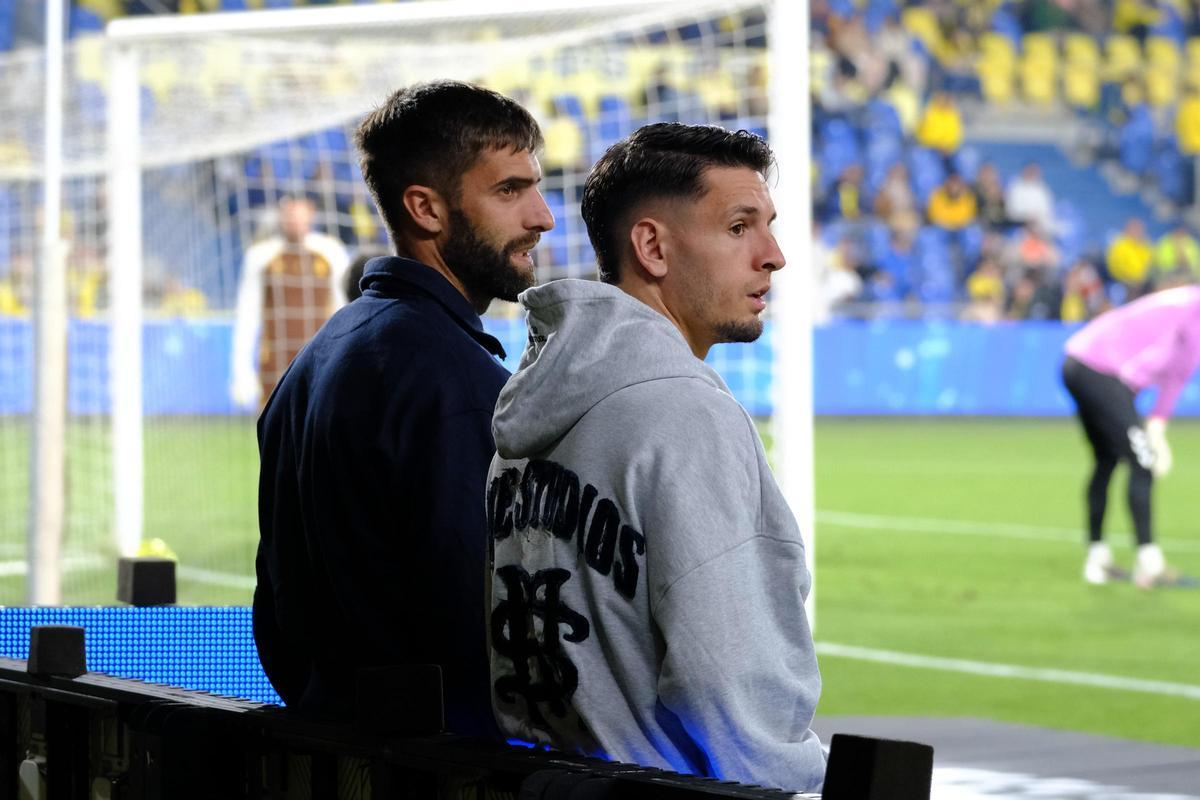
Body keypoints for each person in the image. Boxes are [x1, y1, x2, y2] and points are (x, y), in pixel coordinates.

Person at [485, 123, 826, 792]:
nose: (774, 255)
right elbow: (722, 677)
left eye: (769, 226)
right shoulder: (684, 412)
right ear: (652, 246)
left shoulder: (527, 406)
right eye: (738, 227)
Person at [253, 81, 554, 735]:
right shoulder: (452, 381)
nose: (542, 215)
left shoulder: (318, 356)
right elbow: (483, 624)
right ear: (427, 208)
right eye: (510, 190)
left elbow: (274, 608)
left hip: (332, 742)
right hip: (438, 761)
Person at [1061, 283, 1200, 588]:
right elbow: (1176, 369)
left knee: (1107, 460)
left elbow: (1171, 372)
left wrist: (1155, 428)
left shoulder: (1183, 302)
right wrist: (1155, 432)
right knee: (1143, 462)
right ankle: (1150, 565)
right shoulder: (1192, 308)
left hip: (1077, 361)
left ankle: (1097, 559)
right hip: (1100, 369)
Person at [230, 193, 351, 409]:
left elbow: (344, 308)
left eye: (300, 212)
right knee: (275, 434)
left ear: (311, 213)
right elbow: (247, 315)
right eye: (289, 212)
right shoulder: (260, 256)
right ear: (280, 215)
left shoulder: (331, 252)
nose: (294, 219)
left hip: (321, 361)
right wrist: (242, 370)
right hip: (275, 364)